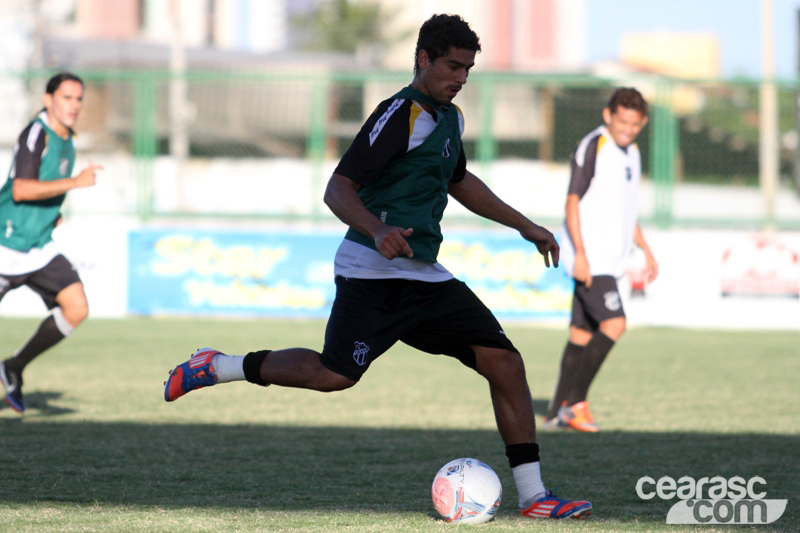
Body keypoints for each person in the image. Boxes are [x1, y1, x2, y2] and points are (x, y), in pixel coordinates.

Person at [164, 14, 591, 519]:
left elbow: (460, 181)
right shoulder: (398, 115)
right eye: (453, 66)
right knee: (335, 375)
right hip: (371, 272)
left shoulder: (450, 118)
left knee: (506, 362)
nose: (460, 78)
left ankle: (534, 498)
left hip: (425, 276)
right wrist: (377, 229)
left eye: (468, 70)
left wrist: (525, 225)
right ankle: (217, 366)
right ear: (423, 59)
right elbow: (337, 189)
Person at [543, 87, 658, 432]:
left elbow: (625, 211)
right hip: (592, 260)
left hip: (610, 260)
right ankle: (575, 404)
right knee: (614, 323)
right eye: (622, 121)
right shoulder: (595, 145)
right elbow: (572, 202)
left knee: (581, 333)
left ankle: (553, 414)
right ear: (608, 115)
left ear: (643, 123)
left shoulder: (632, 153)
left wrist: (646, 249)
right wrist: (580, 255)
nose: (627, 128)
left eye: (634, 123)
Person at [0, 72, 102, 413]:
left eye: (78, 99)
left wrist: (53, 214)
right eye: (66, 98)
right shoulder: (35, 132)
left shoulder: (68, 140)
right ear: (48, 100)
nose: (73, 106)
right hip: (7, 244)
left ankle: (13, 367)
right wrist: (74, 183)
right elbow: (20, 189)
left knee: (77, 307)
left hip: (39, 246)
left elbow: (47, 189)